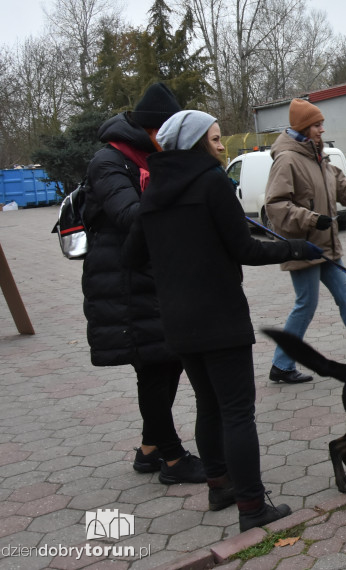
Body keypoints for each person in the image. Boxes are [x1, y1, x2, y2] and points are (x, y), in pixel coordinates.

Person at [124, 110, 323, 531]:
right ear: (197, 143)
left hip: (177, 320)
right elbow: (245, 249)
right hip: (219, 315)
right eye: (215, 138)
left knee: (209, 405)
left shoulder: (154, 187)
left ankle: (220, 486)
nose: (221, 145)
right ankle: (252, 507)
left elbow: (133, 256)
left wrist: (175, 271)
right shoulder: (212, 182)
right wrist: (295, 249)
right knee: (236, 411)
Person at [81, 82, 205, 485]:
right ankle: (172, 459)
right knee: (153, 368)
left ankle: (150, 450)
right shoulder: (109, 162)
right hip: (122, 281)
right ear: (151, 130)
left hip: (155, 277)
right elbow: (130, 215)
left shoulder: (151, 157)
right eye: (165, 133)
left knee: (167, 364)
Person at [263, 98, 346, 383]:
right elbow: (276, 206)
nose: (322, 129)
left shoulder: (319, 156)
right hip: (304, 247)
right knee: (306, 305)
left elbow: (343, 189)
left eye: (322, 124)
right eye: (317, 125)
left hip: (327, 246)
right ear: (304, 128)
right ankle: (281, 365)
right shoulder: (287, 159)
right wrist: (310, 219)